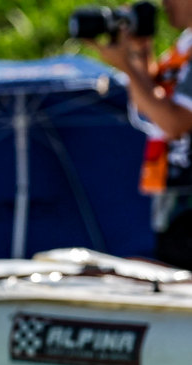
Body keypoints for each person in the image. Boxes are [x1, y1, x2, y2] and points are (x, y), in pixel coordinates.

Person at [95, 0, 192, 267]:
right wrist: (140, 51)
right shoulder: (184, 44)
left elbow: (175, 122)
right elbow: (152, 100)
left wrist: (126, 67)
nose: (164, 3)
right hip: (174, 192)